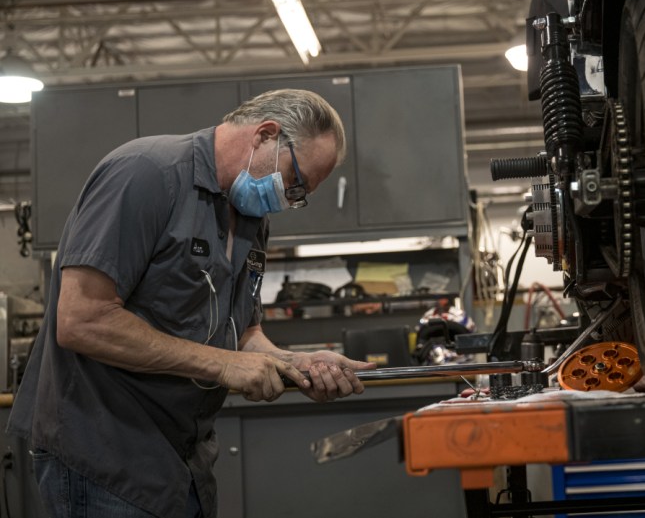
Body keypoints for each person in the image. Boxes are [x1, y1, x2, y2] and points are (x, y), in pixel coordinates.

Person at [7, 89, 375, 518]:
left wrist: (295, 363)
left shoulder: (251, 218)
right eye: (293, 181)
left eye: (299, 194)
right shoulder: (145, 173)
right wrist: (222, 365)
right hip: (104, 454)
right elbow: (81, 319)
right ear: (265, 135)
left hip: (184, 458)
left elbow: (241, 334)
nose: (289, 199)